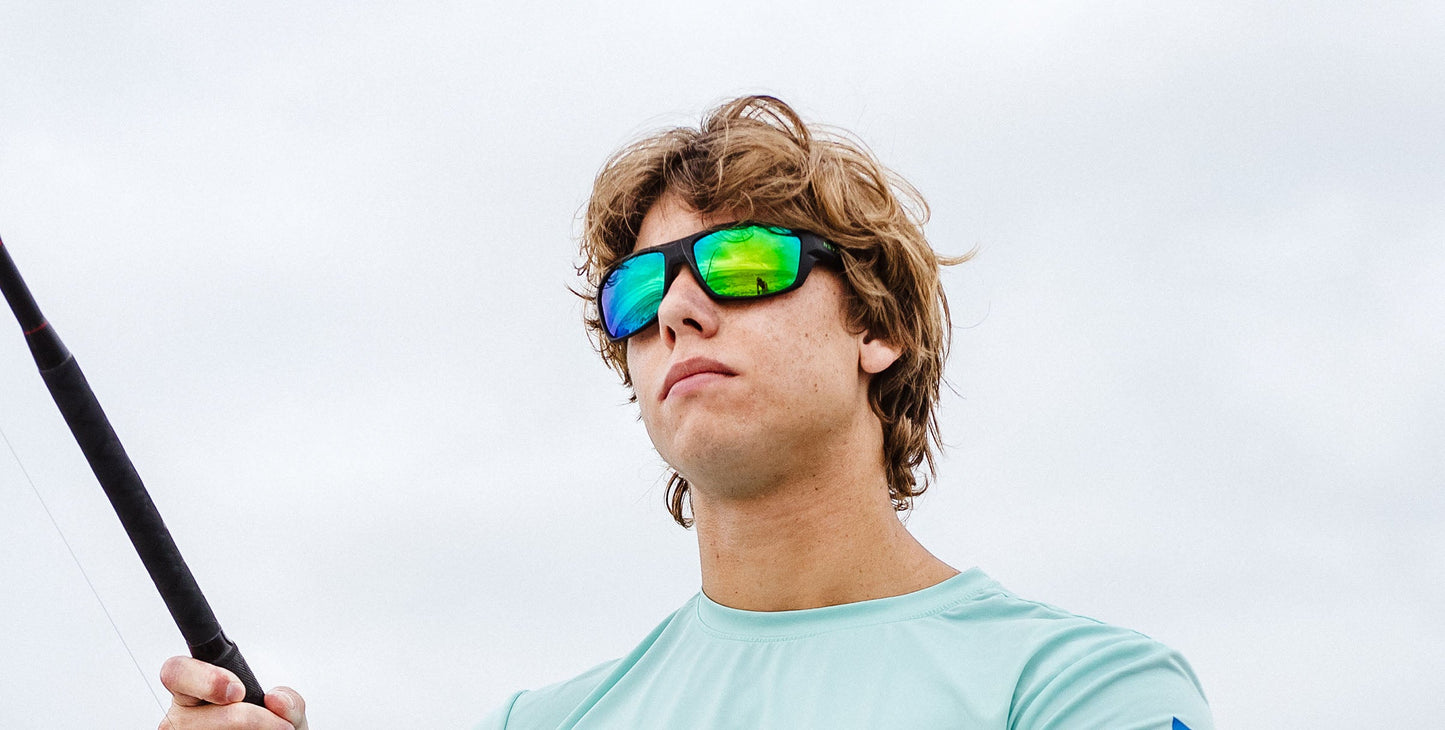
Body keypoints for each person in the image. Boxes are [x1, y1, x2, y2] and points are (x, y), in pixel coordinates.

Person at [158, 95, 1213, 729]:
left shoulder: (1082, 686)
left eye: (740, 262)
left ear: (875, 327)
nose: (678, 306)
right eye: (637, 290)